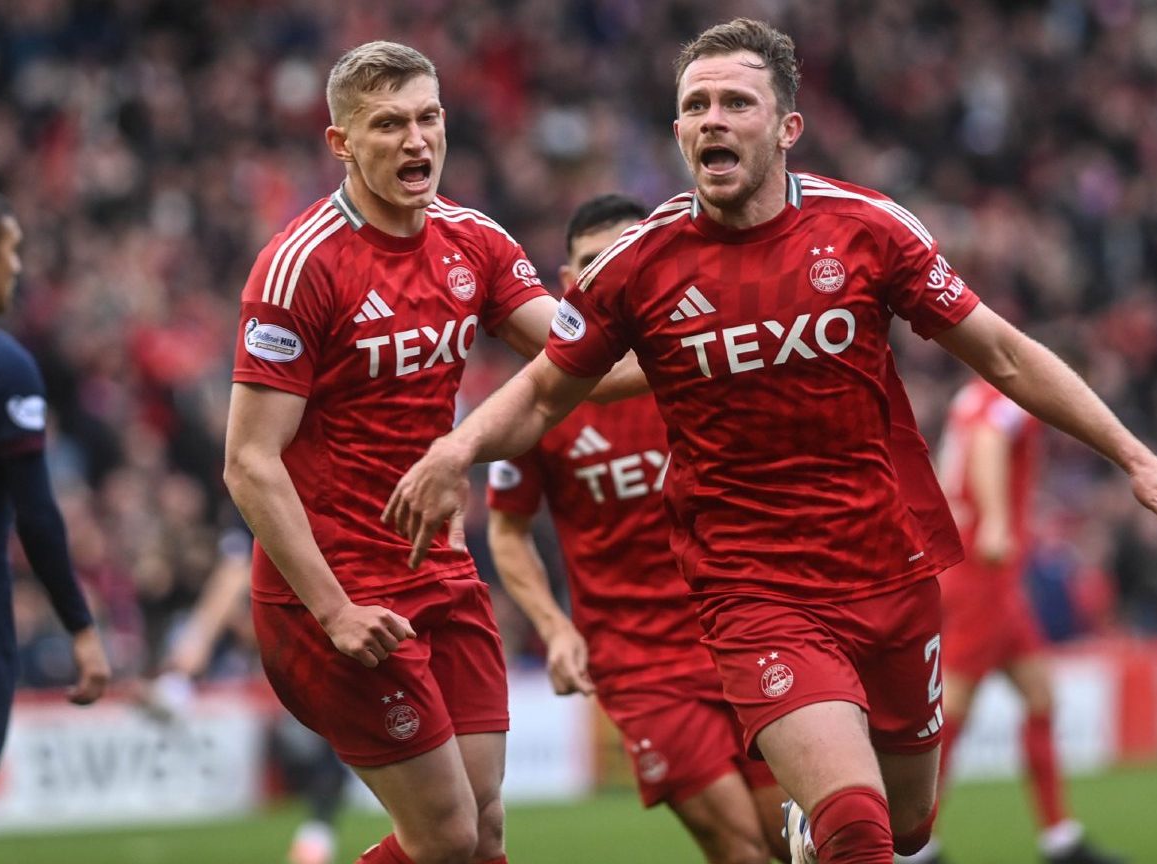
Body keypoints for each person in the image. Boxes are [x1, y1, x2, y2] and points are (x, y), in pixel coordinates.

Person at [384, 19, 1157, 864]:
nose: (712, 119)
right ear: (676, 131)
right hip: (754, 589)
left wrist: (1135, 456)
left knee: (908, 823)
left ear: (786, 128)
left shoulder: (868, 230)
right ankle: (828, 825)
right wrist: (456, 451)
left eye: (736, 102)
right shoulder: (639, 265)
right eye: (694, 105)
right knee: (858, 828)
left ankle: (814, 828)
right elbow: (545, 391)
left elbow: (1001, 352)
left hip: (887, 570)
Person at [223, 41, 638, 864]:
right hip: (336, 594)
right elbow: (248, 463)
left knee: (481, 833)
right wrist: (334, 610)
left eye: (428, 118)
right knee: (445, 837)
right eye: (388, 125)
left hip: (438, 574)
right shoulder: (300, 267)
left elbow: (578, 365)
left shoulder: (473, 241)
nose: (417, 142)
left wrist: (724, 341)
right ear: (341, 144)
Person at [486, 193, 790, 864]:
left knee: (799, 845)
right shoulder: (541, 399)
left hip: (747, 631)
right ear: (567, 284)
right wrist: (554, 625)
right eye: (593, 264)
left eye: (628, 256)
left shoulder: (704, 363)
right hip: (640, 665)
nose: (610, 276)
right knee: (742, 850)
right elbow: (507, 532)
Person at [907, 376, 1122, 864]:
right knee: (953, 705)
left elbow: (953, 460)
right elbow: (987, 441)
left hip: (984, 574)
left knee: (1039, 694)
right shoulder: (1009, 396)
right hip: (985, 572)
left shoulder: (969, 394)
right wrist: (998, 521)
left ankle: (1060, 839)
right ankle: (914, 847)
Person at [0, 184, 110, 845]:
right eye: (13, 250)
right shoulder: (2, 368)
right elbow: (37, 514)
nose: (20, 266)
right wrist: (81, 629)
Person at [144, 522, 348, 864]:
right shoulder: (258, 511)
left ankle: (181, 679)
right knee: (329, 744)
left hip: (321, 615)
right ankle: (319, 832)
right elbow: (232, 574)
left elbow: (232, 576)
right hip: (307, 623)